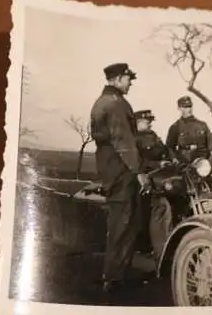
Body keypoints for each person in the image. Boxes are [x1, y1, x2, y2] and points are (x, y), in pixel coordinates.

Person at [89, 62, 150, 293]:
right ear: (115, 80)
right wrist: (140, 172)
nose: (130, 82)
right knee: (122, 224)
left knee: (125, 223)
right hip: (121, 170)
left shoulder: (103, 102)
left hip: (112, 169)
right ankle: (113, 279)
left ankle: (115, 275)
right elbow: (123, 142)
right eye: (127, 79)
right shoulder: (115, 104)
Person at [134, 109, 174, 256]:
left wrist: (172, 159)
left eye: (151, 121)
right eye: (147, 121)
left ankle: (157, 247)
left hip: (159, 179)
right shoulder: (134, 139)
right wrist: (157, 165)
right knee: (143, 214)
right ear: (138, 123)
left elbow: (165, 151)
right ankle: (144, 246)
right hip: (144, 179)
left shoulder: (153, 136)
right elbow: (137, 161)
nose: (150, 123)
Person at [166, 95, 211, 163]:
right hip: (184, 160)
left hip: (201, 159)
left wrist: (208, 159)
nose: (189, 109)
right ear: (179, 108)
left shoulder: (202, 125)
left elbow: (210, 144)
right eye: (185, 107)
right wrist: (174, 158)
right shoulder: (175, 126)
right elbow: (170, 146)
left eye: (190, 106)